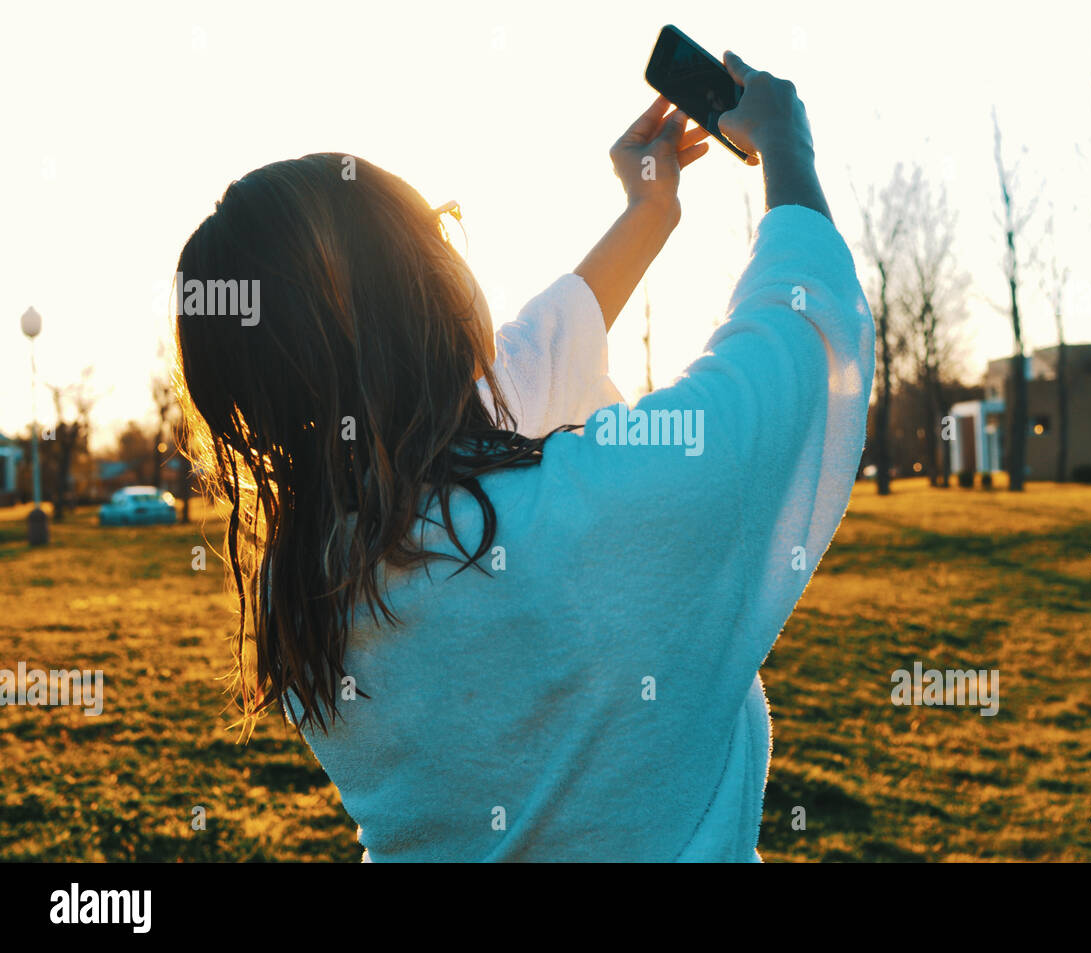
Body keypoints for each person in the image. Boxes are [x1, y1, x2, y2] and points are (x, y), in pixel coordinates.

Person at [174, 51, 874, 861]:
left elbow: (521, 361)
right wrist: (789, 148)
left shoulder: (309, 576)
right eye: (438, 233)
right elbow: (792, 345)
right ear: (420, 296)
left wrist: (648, 212)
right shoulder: (584, 517)